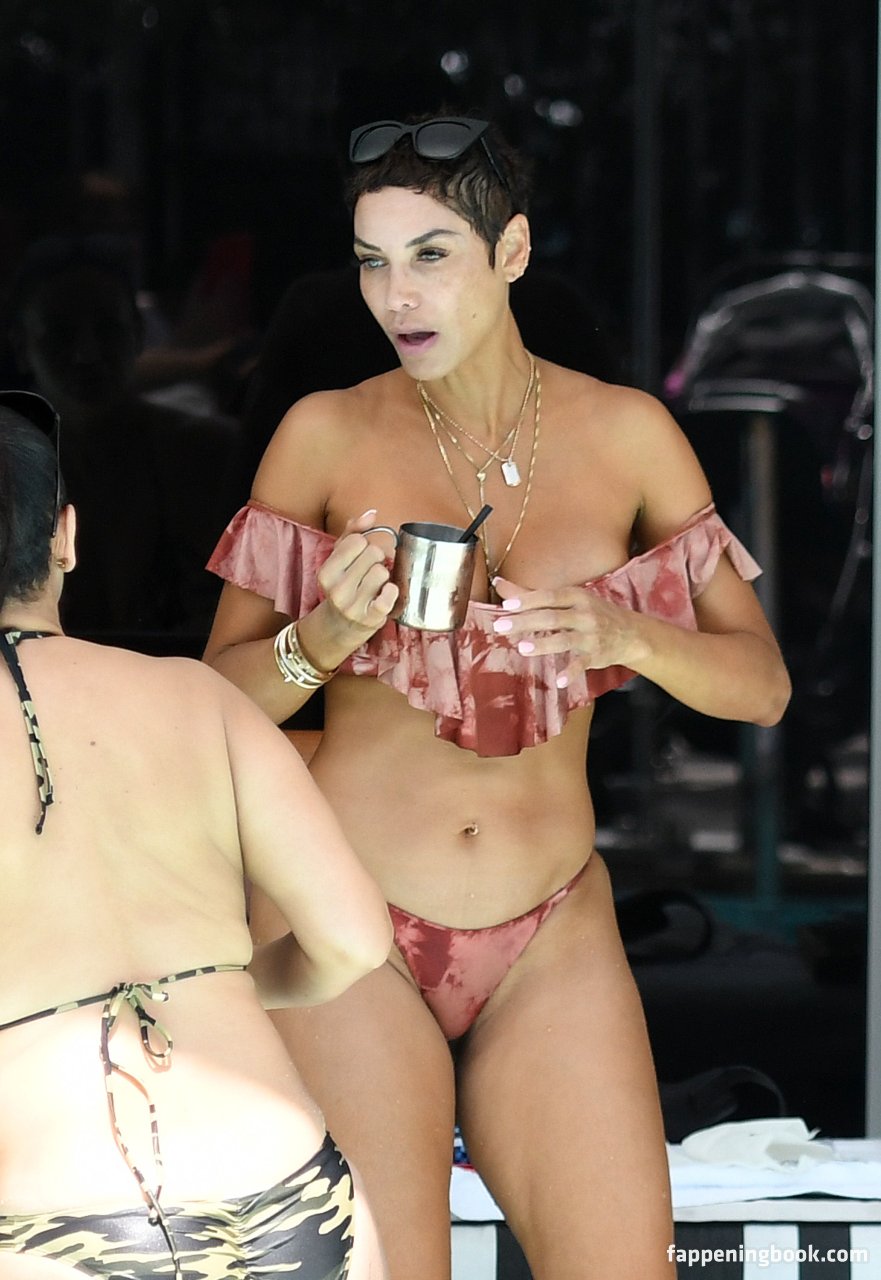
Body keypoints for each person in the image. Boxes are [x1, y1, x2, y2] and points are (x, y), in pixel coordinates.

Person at [203, 115, 791, 1280]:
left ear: (510, 251)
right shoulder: (325, 433)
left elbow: (761, 686)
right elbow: (214, 703)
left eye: (430, 255)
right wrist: (319, 639)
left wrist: (626, 631)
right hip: (352, 923)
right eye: (372, 261)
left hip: (550, 922)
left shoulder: (626, 434)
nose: (397, 294)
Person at [0, 391, 391, 1278]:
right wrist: (227, 985)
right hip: (290, 1193)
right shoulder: (196, 695)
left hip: (55, 1210)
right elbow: (353, 940)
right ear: (66, 538)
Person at [7, 237, 239, 636]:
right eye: (60, 335)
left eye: (107, 329)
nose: (87, 354)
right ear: (21, 347)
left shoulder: (206, 454)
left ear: (138, 333)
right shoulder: (8, 470)